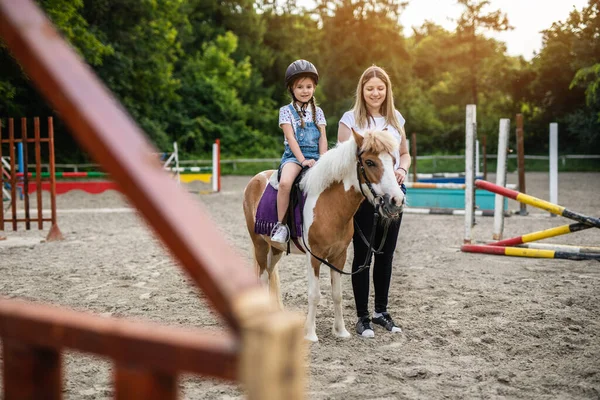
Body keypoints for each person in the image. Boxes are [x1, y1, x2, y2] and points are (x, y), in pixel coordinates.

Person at [337, 65, 411, 337]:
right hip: (364, 197)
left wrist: (402, 169)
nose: (375, 93)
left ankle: (381, 311)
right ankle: (362, 316)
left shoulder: (396, 120)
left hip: (393, 192)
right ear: (362, 90)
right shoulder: (349, 121)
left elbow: (404, 154)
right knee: (363, 254)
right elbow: (343, 160)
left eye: (380, 88)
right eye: (370, 88)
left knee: (386, 254)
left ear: (387, 90)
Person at [271, 60, 328, 244]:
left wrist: (324, 160)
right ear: (292, 89)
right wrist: (302, 160)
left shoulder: (318, 112)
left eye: (309, 86)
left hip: (316, 156)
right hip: (294, 157)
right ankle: (281, 226)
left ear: (314, 88)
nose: (305, 90)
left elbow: (322, 138)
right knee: (286, 183)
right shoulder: (285, 111)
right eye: (300, 87)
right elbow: (291, 138)